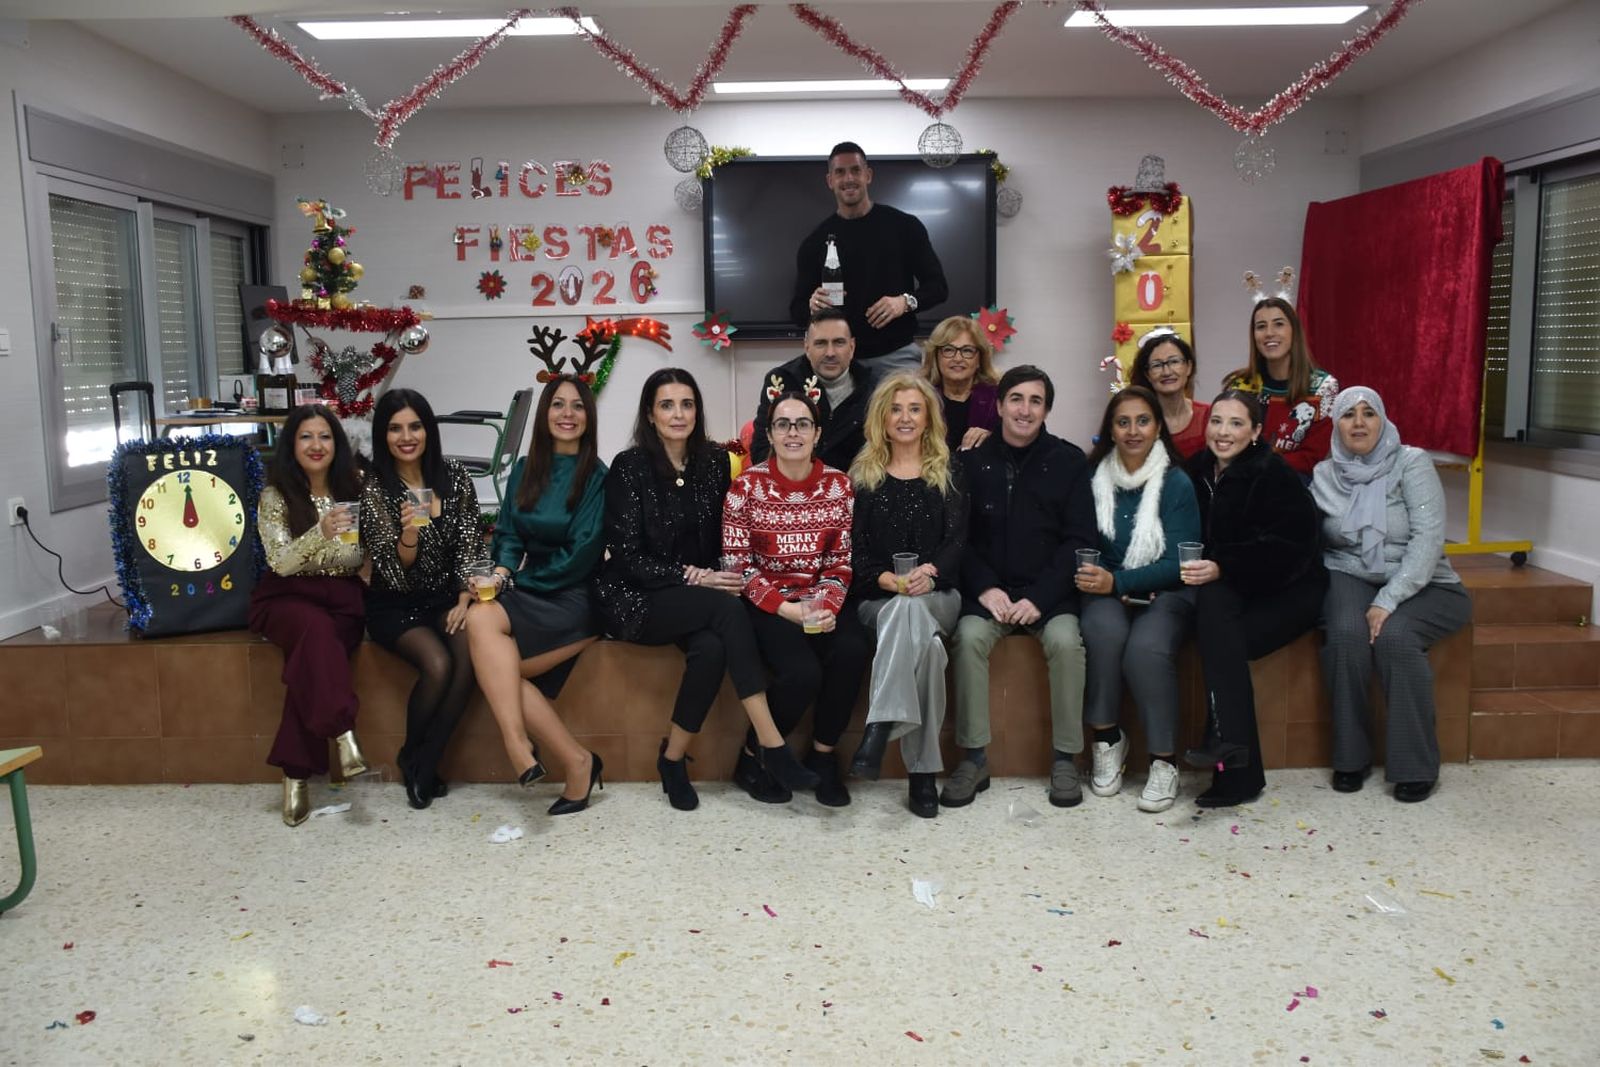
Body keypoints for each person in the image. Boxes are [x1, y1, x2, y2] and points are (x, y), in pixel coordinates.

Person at [596, 368, 820, 811]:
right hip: (634, 596)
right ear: (649, 413)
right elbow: (625, 555)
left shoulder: (715, 462)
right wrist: (693, 576)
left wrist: (725, 574)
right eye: (667, 405)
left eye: (687, 404)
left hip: (692, 598)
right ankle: (772, 745)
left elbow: (721, 538)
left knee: (713, 648)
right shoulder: (631, 466)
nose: (678, 414)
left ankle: (673, 759)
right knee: (725, 612)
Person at [946, 365, 1096, 810]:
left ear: (1047, 409)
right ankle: (973, 758)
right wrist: (987, 589)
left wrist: (1040, 598)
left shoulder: (1068, 461)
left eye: (1035, 400)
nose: (1024, 409)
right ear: (999, 405)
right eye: (1016, 399)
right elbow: (959, 539)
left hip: (1047, 594)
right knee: (968, 638)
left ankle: (1066, 758)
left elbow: (1080, 540)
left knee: (1068, 643)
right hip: (987, 593)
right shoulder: (970, 462)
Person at [1312, 386, 1471, 804]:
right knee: (1345, 635)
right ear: (1337, 425)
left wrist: (1388, 599)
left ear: (1383, 420)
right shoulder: (1324, 475)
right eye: (1348, 415)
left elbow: (1428, 539)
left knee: (1396, 638)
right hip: (1348, 571)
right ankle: (1350, 757)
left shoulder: (1412, 463)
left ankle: (1416, 766)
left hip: (1426, 581)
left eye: (1369, 414)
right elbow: (1315, 539)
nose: (1359, 423)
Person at [464, 375, 609, 816]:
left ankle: (561, 757)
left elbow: (580, 555)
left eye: (577, 406)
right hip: (530, 588)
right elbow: (508, 532)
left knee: (500, 669)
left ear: (588, 416)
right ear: (544, 414)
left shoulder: (597, 476)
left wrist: (516, 583)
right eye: (558, 405)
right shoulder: (527, 467)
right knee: (480, 617)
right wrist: (503, 569)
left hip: (576, 597)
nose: (567, 414)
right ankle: (529, 745)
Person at [1180, 389, 1328, 807]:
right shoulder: (1198, 470)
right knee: (1214, 617)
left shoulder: (1272, 473)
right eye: (1217, 421)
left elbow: (1291, 549)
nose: (1223, 432)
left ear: (1257, 431)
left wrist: (1224, 564)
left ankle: (1227, 748)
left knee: (1219, 639)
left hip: (1291, 591)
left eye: (1236, 423)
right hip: (1237, 591)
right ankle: (1235, 765)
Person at [724, 391, 871, 807]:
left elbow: (841, 561)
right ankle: (754, 755)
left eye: (802, 423)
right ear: (769, 434)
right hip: (766, 605)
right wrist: (785, 608)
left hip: (820, 602)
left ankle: (822, 758)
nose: (793, 432)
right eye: (783, 424)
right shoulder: (745, 487)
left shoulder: (839, 485)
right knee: (802, 672)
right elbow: (736, 565)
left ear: (817, 432)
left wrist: (824, 605)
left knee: (852, 650)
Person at [1073, 387, 1201, 813]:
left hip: (1168, 592)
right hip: (1108, 590)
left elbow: (1180, 561)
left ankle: (1164, 761)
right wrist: (1104, 581)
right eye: (1122, 422)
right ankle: (1107, 739)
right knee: (1103, 632)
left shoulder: (1176, 482)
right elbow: (1083, 544)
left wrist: (1118, 581)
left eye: (1142, 421)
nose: (1132, 431)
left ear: (1158, 427)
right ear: (1110, 429)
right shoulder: (1093, 479)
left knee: (1145, 650)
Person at [846, 373, 967, 818]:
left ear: (928, 417)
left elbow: (957, 543)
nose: (905, 417)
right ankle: (922, 775)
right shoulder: (861, 476)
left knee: (916, 611)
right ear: (881, 417)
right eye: (896, 409)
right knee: (930, 652)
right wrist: (890, 583)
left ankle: (879, 726)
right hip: (879, 600)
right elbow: (855, 554)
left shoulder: (949, 469)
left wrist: (929, 575)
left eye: (914, 409)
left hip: (939, 596)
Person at [249, 404, 370, 827]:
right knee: (314, 632)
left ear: (337, 445)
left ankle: (296, 776)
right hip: (287, 597)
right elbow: (280, 562)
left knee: (311, 660)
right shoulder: (275, 495)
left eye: (325, 437)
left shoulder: (353, 488)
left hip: (342, 597)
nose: (316, 445)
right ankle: (341, 731)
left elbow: (357, 556)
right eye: (306, 437)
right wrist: (320, 531)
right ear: (291, 445)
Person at [362, 388, 480, 810]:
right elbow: (392, 572)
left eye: (414, 426)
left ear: (428, 430)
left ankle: (425, 760)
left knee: (468, 659)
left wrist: (467, 598)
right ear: (383, 435)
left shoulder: (453, 475)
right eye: (395, 428)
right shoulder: (375, 486)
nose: (406, 436)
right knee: (438, 663)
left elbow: (470, 544)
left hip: (445, 597)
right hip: (394, 602)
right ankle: (413, 753)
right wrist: (409, 532)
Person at [790, 141, 949, 372]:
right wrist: (811, 305)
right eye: (840, 172)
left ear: (868, 175)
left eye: (855, 170)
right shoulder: (814, 242)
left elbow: (938, 287)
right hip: (839, 364)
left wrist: (904, 302)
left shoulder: (904, 226)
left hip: (897, 358)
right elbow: (796, 311)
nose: (848, 179)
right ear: (830, 181)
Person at [750, 307, 880, 472]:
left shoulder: (874, 388)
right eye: (821, 343)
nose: (830, 353)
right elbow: (761, 450)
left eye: (839, 342)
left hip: (853, 487)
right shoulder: (781, 381)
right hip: (792, 488)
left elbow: (882, 454)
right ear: (807, 347)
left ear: (852, 347)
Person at [1222, 298, 1339, 478]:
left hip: (1297, 486)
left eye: (1278, 324)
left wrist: (1261, 464)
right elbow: (1227, 441)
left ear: (1294, 330)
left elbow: (1312, 458)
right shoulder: (1239, 385)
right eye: (1261, 326)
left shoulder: (1323, 387)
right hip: (1243, 482)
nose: (1269, 333)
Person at [922, 314, 1000, 453]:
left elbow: (1015, 442)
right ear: (935, 356)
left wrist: (992, 439)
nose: (958, 358)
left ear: (979, 359)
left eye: (967, 351)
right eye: (949, 350)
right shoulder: (920, 397)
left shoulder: (998, 398)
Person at [1129, 329, 1209, 460]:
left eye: (1174, 362)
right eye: (1157, 365)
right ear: (1147, 374)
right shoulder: (1137, 422)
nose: (1166, 372)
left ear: (1189, 367)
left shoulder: (1208, 416)